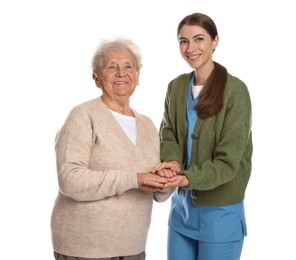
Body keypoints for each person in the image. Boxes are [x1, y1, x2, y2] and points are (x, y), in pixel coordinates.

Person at [50, 37, 176, 260]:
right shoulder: (83, 116)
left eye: (128, 66)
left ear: (137, 77)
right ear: (96, 79)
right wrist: (134, 178)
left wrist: (165, 182)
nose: (121, 73)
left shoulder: (147, 124)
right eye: (111, 67)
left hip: (133, 248)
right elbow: (70, 180)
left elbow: (157, 193)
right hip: (84, 248)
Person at [152, 13, 253, 260]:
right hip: (182, 211)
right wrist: (174, 163)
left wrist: (185, 178)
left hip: (221, 214)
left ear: (215, 41)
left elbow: (228, 163)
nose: (190, 48)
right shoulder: (175, 87)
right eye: (183, 41)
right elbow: (168, 133)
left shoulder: (235, 91)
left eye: (199, 39)